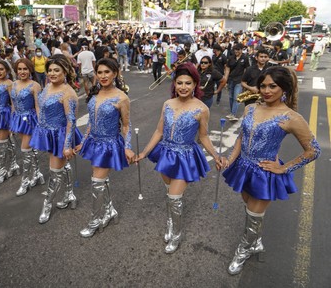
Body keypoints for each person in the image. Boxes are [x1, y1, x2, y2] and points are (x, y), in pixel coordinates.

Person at [223, 66, 321, 275]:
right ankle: (255, 241)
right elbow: (241, 137)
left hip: (264, 173)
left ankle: (243, 250)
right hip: (243, 168)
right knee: (250, 211)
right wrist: (231, 159)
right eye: (263, 86)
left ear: (284, 88)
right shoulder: (251, 108)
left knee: (253, 214)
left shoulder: (291, 117)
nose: (266, 90)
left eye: (272, 86)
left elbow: (313, 150)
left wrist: (284, 168)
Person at [136, 62, 225, 254]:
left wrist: (216, 156)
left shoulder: (201, 109)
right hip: (166, 154)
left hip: (185, 156)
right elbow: (159, 131)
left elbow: (203, 136)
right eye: (179, 83)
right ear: (174, 84)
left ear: (195, 85)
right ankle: (170, 221)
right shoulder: (167, 104)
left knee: (175, 197)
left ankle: (176, 234)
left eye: (188, 83)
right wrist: (144, 152)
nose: (183, 87)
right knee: (169, 193)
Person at [75, 58, 135, 238]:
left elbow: (126, 125)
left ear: (115, 73)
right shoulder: (94, 94)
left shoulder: (122, 97)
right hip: (94, 142)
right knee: (100, 181)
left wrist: (128, 146)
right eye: (99, 72)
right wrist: (84, 141)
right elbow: (91, 123)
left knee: (96, 182)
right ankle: (109, 211)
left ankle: (95, 221)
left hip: (109, 144)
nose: (102, 76)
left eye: (107, 72)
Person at [29, 55, 83, 224]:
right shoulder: (47, 86)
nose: (52, 73)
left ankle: (47, 204)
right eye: (50, 70)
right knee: (60, 167)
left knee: (54, 172)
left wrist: (67, 146)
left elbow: (71, 121)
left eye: (56, 70)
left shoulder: (68, 93)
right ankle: (69, 194)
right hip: (48, 133)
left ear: (65, 71)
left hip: (61, 136)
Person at [10, 58, 45, 196]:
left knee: (25, 150)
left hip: (30, 120)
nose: (22, 72)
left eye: (25, 69)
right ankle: (37, 174)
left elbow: (38, 106)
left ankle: (25, 182)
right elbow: (13, 104)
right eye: (19, 69)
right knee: (29, 150)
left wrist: (41, 123)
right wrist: (12, 121)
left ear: (30, 70)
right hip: (18, 119)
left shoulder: (35, 85)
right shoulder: (13, 84)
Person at [0, 60, 20, 185]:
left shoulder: (9, 84)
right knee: (8, 141)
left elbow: (14, 104)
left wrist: (13, 121)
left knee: (2, 142)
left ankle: (2, 172)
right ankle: (13, 165)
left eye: (1, 69)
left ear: (7, 70)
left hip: (6, 114)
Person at [225, 44, 249, 121]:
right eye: (235, 49)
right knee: (230, 97)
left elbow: (246, 69)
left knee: (236, 98)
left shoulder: (245, 58)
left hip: (239, 80)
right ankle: (232, 113)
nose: (236, 51)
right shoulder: (231, 58)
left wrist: (245, 80)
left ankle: (234, 113)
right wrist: (225, 79)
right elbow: (227, 69)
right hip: (231, 79)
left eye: (238, 49)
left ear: (241, 50)